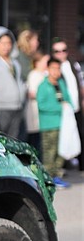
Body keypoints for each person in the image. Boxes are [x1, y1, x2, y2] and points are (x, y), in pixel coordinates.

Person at [36, 58, 74, 188]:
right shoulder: (43, 86)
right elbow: (42, 105)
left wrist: (69, 106)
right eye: (53, 68)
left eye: (58, 69)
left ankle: (56, 175)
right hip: (49, 125)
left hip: (63, 125)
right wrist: (60, 107)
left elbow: (68, 99)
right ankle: (48, 178)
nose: (56, 72)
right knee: (49, 153)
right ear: (48, 69)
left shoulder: (61, 83)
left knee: (61, 151)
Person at [51, 38, 83, 171]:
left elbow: (80, 84)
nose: (61, 53)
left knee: (80, 135)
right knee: (63, 137)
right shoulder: (53, 67)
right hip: (63, 109)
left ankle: (81, 165)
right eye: (57, 51)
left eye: (63, 50)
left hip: (76, 107)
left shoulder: (73, 64)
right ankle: (62, 167)